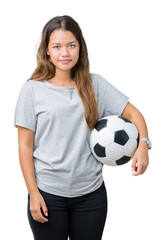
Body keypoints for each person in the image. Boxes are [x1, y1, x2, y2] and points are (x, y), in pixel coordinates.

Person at [14, 15, 151, 240]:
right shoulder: (32, 90)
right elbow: (24, 145)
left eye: (71, 45)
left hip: (91, 196)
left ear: (80, 47)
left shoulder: (95, 84)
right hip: (48, 195)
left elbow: (134, 114)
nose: (65, 53)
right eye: (57, 46)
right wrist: (33, 193)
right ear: (47, 50)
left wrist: (143, 145)